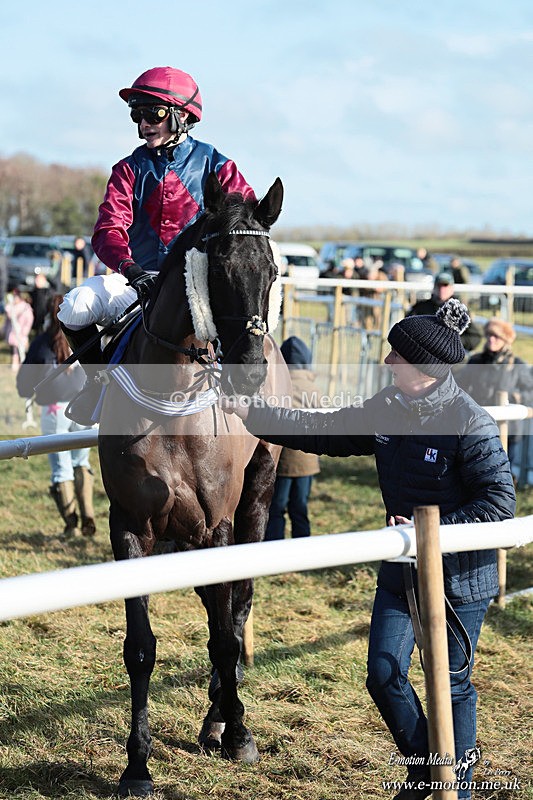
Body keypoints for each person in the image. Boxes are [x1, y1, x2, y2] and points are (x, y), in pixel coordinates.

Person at [220, 298, 515, 800]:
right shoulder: (389, 405)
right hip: (402, 567)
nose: (386, 361)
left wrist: (433, 530)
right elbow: (326, 429)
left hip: (459, 577)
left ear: (421, 367)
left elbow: (500, 503)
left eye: (394, 355)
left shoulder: (471, 423)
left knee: (453, 685)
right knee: (383, 674)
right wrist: (253, 414)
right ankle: (430, 772)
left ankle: (456, 790)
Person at [57, 65, 256, 425]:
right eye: (138, 115)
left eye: (154, 114)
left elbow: (246, 223)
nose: (144, 124)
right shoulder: (128, 169)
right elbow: (107, 229)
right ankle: (98, 381)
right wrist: (131, 270)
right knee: (74, 306)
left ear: (181, 116)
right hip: (139, 279)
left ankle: (250, 395)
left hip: (198, 284)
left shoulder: (218, 166)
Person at [16, 295, 96, 538]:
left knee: (61, 469)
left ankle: (72, 527)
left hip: (54, 410)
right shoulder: (86, 338)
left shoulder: (42, 342)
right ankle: (89, 519)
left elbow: (24, 383)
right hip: (85, 407)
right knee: (81, 462)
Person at [456, 318, 533, 473]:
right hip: (480, 425)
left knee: (505, 471)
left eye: (496, 336)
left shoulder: (515, 364)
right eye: (489, 335)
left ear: (505, 340)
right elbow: (461, 386)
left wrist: (516, 398)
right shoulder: (476, 361)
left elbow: (530, 391)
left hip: (509, 428)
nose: (491, 339)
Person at [264, 337, 320, 541]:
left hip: (283, 459)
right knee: (300, 505)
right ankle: (303, 545)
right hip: (307, 461)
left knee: (277, 507)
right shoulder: (313, 388)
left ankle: (274, 546)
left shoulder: (278, 386)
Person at [407, 272, 482, 354]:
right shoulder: (420, 308)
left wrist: (450, 342)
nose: (442, 289)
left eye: (445, 286)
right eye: (439, 286)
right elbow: (407, 330)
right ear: (434, 287)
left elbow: (475, 338)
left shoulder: (459, 311)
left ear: (452, 289)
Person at [3, 288, 34, 372]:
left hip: (22, 332)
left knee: (22, 350)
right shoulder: (13, 307)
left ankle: (23, 365)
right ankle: (15, 364)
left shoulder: (24, 307)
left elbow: (29, 320)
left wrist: (25, 331)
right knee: (15, 350)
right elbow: (8, 318)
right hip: (15, 331)